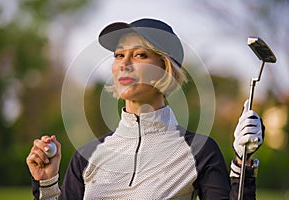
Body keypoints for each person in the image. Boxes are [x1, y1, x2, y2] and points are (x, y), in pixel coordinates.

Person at [26, 18, 264, 199]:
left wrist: (243, 164)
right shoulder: (86, 156)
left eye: (139, 54)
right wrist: (47, 185)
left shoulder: (199, 151)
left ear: (165, 67)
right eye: (119, 55)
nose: (124, 64)